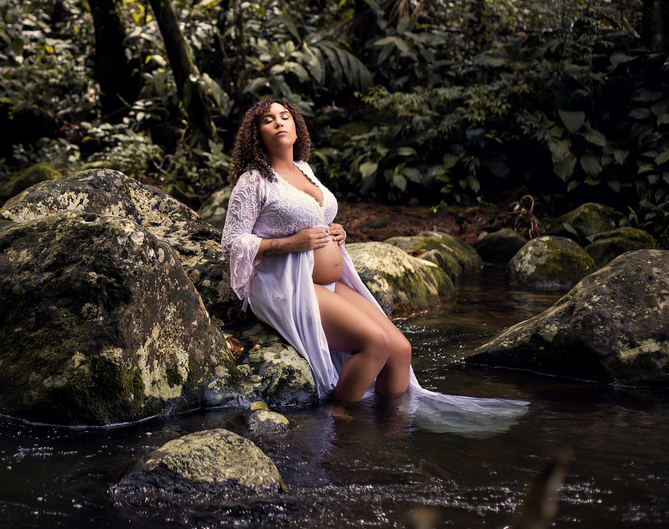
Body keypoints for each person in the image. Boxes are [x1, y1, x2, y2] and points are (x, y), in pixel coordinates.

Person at [221, 100, 528, 427]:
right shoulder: (253, 180)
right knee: (375, 344)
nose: (279, 122)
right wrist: (291, 244)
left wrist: (335, 230)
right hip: (286, 283)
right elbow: (232, 241)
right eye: (269, 120)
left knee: (400, 349)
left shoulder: (304, 170)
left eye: (285, 116)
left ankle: (391, 442)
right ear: (256, 134)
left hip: (326, 280)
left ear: (297, 127)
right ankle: (342, 426)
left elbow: (316, 217)